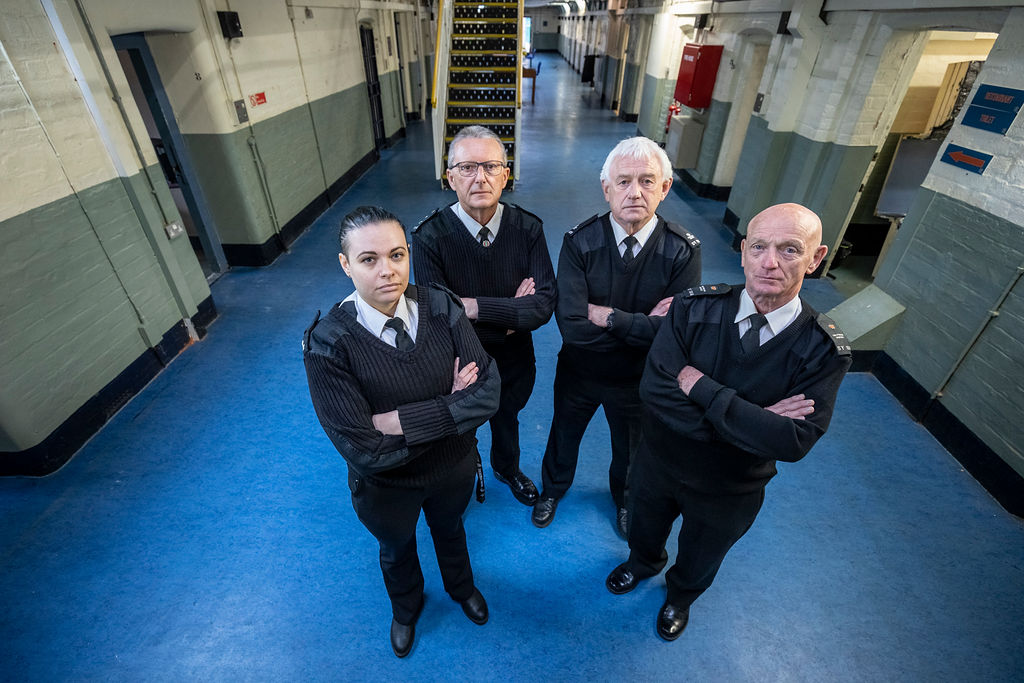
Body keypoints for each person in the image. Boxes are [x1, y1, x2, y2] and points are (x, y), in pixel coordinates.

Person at [604, 202, 852, 641]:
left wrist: (701, 389)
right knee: (643, 528)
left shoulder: (821, 351)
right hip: (658, 463)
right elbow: (655, 392)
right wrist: (750, 419)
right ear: (742, 251)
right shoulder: (692, 309)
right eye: (758, 247)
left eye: (790, 250)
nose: (769, 262)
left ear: (816, 259)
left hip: (731, 488)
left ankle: (679, 597)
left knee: (703, 554)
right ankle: (642, 565)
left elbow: (792, 440)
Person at [303, 206, 500, 658]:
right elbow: (365, 450)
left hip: (452, 469)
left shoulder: (440, 305)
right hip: (387, 487)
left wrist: (399, 422)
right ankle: (406, 608)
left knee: (451, 530)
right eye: (369, 259)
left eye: (397, 255)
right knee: (396, 548)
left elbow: (488, 394)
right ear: (345, 264)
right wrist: (452, 406)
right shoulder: (328, 343)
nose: (388, 271)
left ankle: (461, 587)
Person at [532, 136, 702, 535]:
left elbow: (674, 333)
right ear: (606, 189)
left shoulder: (682, 251)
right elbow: (573, 326)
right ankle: (553, 490)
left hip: (637, 380)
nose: (634, 192)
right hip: (581, 371)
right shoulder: (580, 241)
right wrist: (641, 324)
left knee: (631, 450)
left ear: (665, 188)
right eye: (623, 182)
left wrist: (608, 316)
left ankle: (625, 500)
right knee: (563, 435)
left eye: (647, 181)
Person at [413, 125, 557, 507]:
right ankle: (466, 472)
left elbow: (542, 305)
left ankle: (506, 468)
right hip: (461, 356)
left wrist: (473, 306)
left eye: (491, 166)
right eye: (467, 168)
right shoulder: (429, 237)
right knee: (462, 425)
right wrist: (512, 312)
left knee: (507, 415)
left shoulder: (528, 228)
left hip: (515, 356)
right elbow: (438, 315)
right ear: (450, 177)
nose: (481, 177)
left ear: (506, 175)